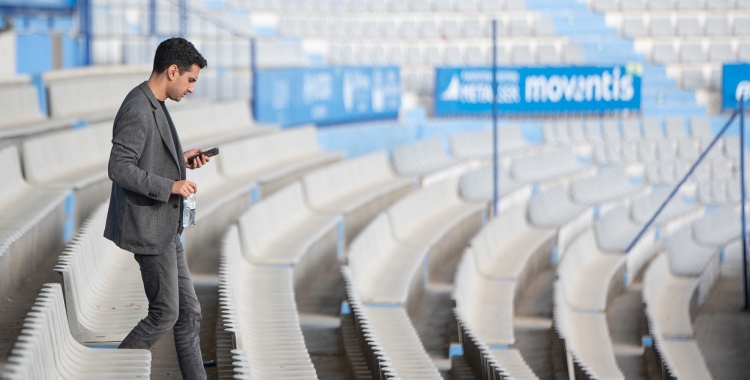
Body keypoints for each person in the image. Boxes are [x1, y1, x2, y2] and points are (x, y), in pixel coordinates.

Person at [104, 37, 210, 380]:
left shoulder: (154, 103)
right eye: (190, 80)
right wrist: (171, 186)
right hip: (149, 227)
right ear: (173, 71)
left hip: (165, 226)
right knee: (165, 313)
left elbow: (147, 158)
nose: (191, 88)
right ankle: (111, 372)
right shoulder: (137, 107)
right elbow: (119, 167)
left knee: (189, 314)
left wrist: (180, 162)